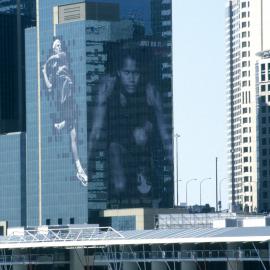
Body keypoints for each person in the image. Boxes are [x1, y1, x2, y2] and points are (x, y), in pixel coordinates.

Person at [89, 49, 171, 200]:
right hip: (117, 148)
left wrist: (171, 167)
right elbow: (96, 130)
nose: (132, 79)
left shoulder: (150, 91)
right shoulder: (109, 87)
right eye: (127, 73)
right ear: (119, 72)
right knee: (115, 156)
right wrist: (88, 163)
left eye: (136, 73)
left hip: (145, 150)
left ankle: (145, 173)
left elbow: (165, 134)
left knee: (141, 134)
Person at [42, 39, 88, 186]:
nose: (59, 46)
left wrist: (47, 63)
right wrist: (44, 72)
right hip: (65, 101)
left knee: (73, 137)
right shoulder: (54, 68)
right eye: (56, 45)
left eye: (60, 44)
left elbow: (53, 58)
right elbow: (49, 87)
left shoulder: (62, 56)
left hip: (69, 97)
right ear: (53, 47)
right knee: (72, 129)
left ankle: (79, 168)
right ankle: (61, 124)